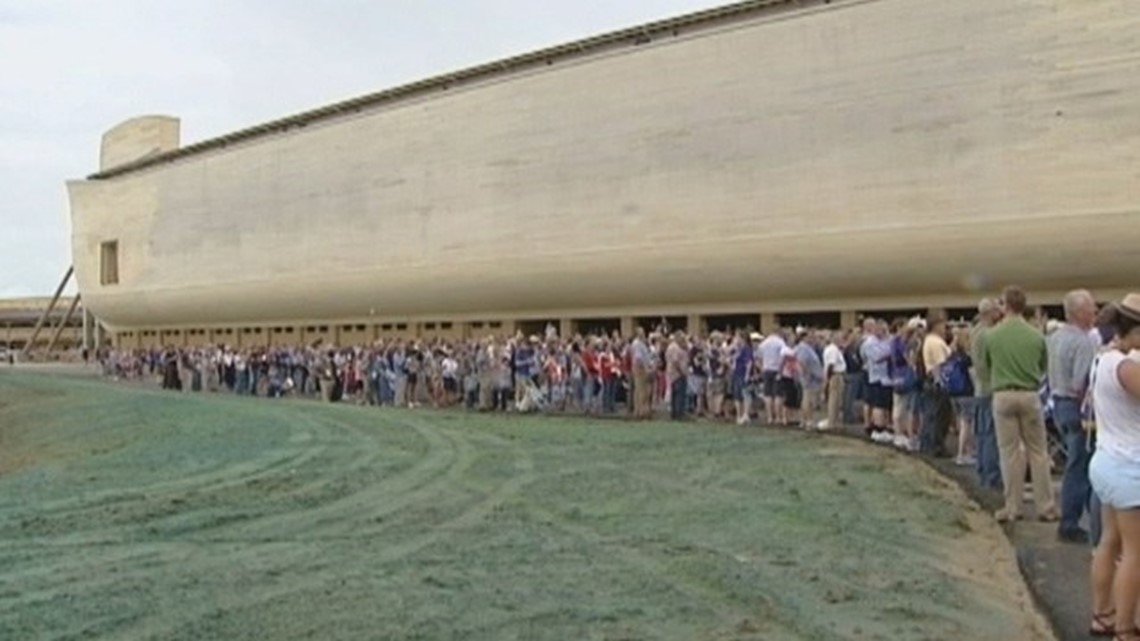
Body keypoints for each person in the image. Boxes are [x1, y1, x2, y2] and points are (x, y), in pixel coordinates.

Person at [1088, 294, 1140, 639]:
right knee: (1135, 552)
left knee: (1109, 541)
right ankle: (1125, 628)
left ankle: (1102, 614)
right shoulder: (1127, 367)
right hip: (1129, 466)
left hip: (1106, 459)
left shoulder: (1103, 359)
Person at [983, 286, 1057, 523]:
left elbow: (985, 366)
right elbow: (1044, 365)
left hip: (1003, 394)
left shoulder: (991, 335)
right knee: (1038, 452)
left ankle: (1013, 507)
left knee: (1009, 453)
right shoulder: (1036, 335)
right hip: (1029, 394)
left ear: (1005, 305)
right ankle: (1046, 506)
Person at [1048, 289, 1099, 544]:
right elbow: (1083, 382)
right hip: (1076, 405)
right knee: (1080, 465)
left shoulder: (1055, 337)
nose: (1095, 312)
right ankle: (1071, 522)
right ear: (1080, 312)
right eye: (1091, 308)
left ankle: (1082, 516)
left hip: (1058, 402)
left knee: (1076, 462)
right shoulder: (1083, 341)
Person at [971, 297, 1004, 489]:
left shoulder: (976, 332)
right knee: (991, 434)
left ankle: (983, 470)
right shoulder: (989, 334)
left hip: (980, 389)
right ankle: (991, 476)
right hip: (991, 388)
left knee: (982, 433)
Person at [821, 330, 847, 430]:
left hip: (836, 375)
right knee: (834, 400)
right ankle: (832, 422)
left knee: (837, 400)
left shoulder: (835, 349)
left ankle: (834, 421)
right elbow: (830, 365)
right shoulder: (832, 349)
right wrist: (828, 379)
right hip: (835, 375)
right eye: (839, 338)